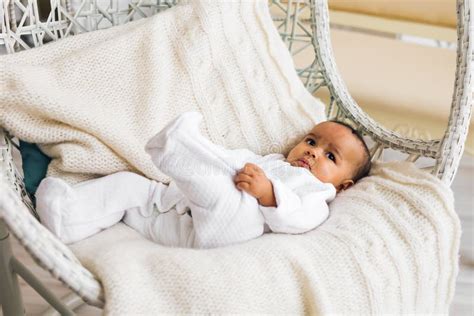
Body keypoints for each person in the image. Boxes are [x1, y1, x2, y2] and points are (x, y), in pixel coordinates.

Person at [36, 112, 371, 248]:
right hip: (179, 224)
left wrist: (269, 194)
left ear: (343, 184)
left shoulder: (318, 194)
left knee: (226, 194)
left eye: (330, 156)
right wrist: (214, 153)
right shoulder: (272, 161)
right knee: (130, 186)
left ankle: (179, 149)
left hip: (231, 230)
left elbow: (297, 218)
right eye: (312, 141)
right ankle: (69, 217)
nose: (313, 153)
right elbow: (231, 162)